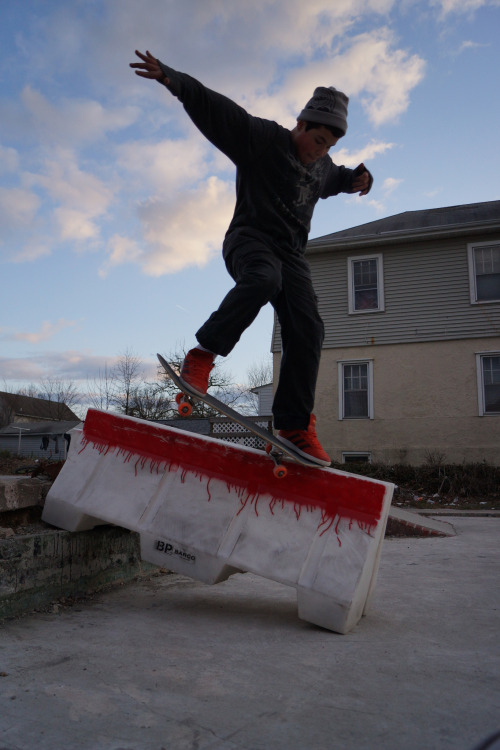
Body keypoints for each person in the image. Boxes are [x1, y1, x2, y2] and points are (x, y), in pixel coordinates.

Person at [130, 50, 373, 466]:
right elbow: (217, 111)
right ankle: (202, 355)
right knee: (264, 278)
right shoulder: (262, 140)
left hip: (292, 254)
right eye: (317, 140)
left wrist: (356, 179)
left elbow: (336, 178)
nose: (319, 152)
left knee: (309, 328)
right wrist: (174, 79)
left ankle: (294, 426)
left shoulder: (322, 166)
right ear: (300, 125)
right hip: (249, 239)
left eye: (328, 146)